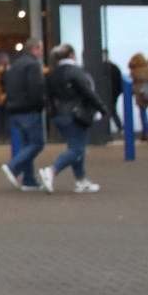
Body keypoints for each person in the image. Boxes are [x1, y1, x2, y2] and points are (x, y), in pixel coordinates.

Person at [43, 43, 105, 192]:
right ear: (71, 54)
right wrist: (101, 108)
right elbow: (87, 92)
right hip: (75, 115)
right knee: (78, 149)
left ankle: (81, 179)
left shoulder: (51, 74)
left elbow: (47, 96)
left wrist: (52, 112)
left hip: (59, 116)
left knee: (75, 147)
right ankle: (52, 170)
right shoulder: (76, 71)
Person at [0, 39, 47, 190]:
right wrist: (40, 105)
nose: (41, 52)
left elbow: (5, 83)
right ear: (35, 49)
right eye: (40, 49)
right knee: (36, 143)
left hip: (14, 110)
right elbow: (35, 89)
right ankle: (13, 167)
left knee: (26, 145)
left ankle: (29, 179)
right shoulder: (33, 65)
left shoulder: (15, 65)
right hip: (28, 109)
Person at [127, 52, 148, 143]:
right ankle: (147, 133)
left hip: (140, 94)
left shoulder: (135, 71)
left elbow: (130, 83)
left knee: (142, 114)